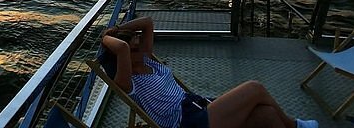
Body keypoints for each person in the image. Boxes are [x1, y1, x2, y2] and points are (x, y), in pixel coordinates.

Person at [100, 17, 318, 128]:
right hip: (187, 123)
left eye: (138, 43)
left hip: (198, 105)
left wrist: (120, 29)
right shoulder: (129, 82)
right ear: (123, 57)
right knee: (255, 88)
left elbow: (147, 23)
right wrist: (107, 37)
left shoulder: (148, 60)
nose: (139, 48)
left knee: (267, 116)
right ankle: (296, 125)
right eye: (134, 48)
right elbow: (122, 48)